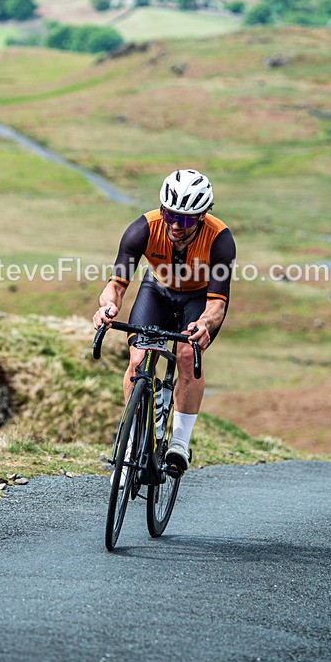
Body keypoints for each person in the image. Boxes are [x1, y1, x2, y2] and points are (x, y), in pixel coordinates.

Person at [92, 169, 236, 474]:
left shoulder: (220, 239)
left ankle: (180, 444)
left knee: (186, 355)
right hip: (157, 290)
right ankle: (132, 441)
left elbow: (217, 304)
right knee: (138, 360)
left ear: (202, 215)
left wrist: (205, 325)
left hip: (198, 299)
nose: (174, 225)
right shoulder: (142, 229)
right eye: (169, 214)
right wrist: (106, 307)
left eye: (184, 220)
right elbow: (116, 286)